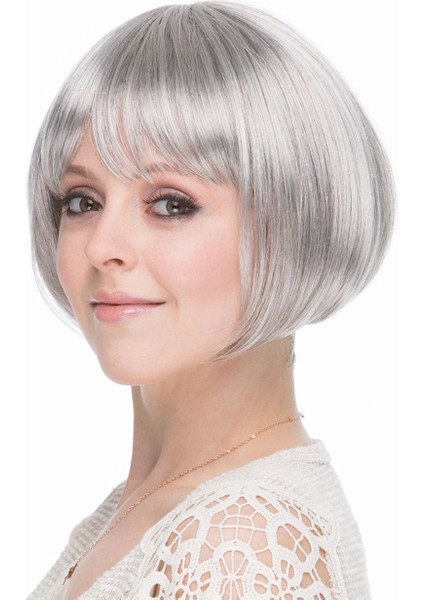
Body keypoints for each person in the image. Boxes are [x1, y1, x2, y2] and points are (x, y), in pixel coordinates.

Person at [27, 2, 395, 598]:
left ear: (292, 224)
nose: (102, 246)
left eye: (171, 204)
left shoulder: (238, 540)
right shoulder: (143, 510)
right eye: (82, 201)